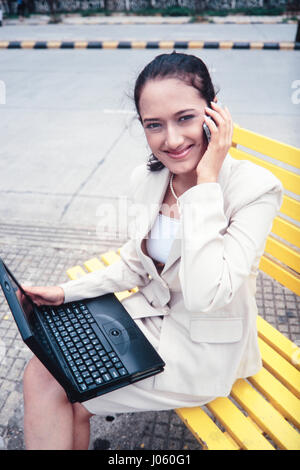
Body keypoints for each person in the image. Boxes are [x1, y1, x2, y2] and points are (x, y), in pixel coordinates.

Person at [22, 52, 283, 450]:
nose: (172, 140)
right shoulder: (149, 178)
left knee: (58, 388)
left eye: (185, 118)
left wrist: (207, 183)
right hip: (153, 317)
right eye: (154, 125)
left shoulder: (254, 190)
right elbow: (137, 263)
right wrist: (65, 292)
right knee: (44, 371)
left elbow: (206, 295)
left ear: (215, 114)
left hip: (204, 348)